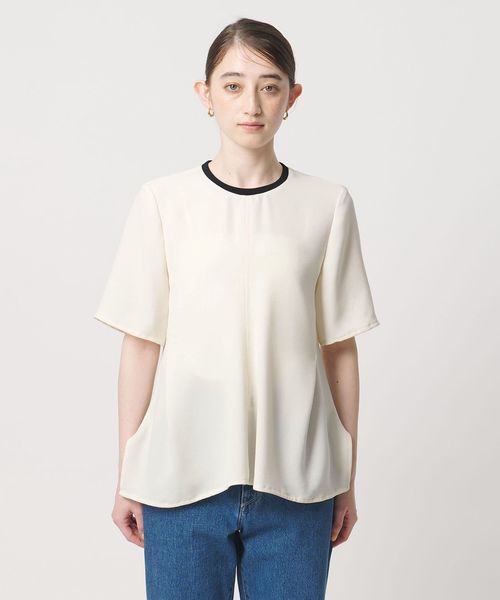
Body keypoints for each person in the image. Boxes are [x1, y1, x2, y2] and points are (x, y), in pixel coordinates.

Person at [94, 17, 380, 600]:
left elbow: (340, 348)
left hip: (298, 485)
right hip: (180, 482)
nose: (251, 103)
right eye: (232, 85)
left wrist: (345, 478)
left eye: (270, 86)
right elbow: (141, 344)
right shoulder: (163, 202)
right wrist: (128, 473)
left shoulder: (327, 204)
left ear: (292, 98)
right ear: (205, 94)